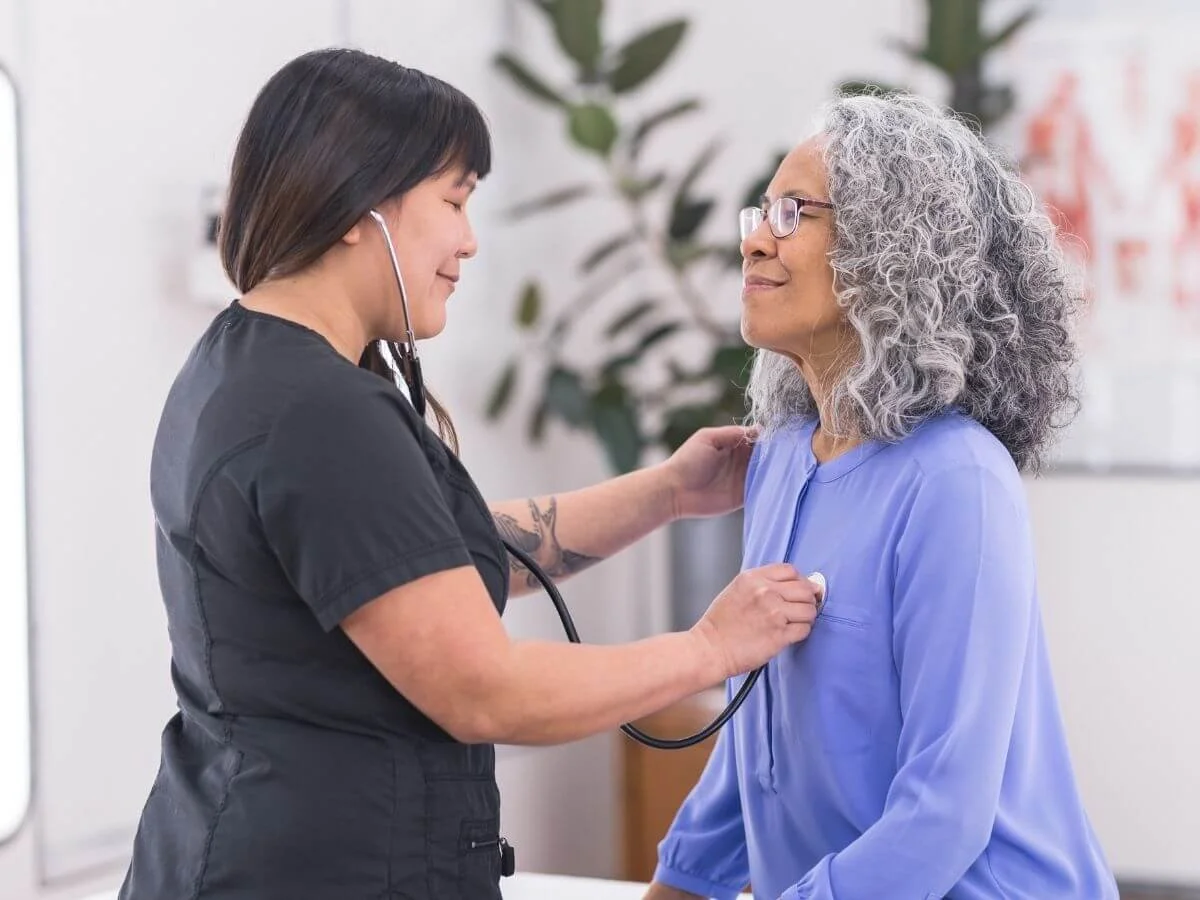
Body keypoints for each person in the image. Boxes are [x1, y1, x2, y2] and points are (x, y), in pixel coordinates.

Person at [117, 48, 824, 900]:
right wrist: (710, 648)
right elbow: (486, 690)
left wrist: (669, 492)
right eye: (454, 201)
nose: (469, 240)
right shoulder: (317, 412)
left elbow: (425, 561)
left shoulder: (244, 367)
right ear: (358, 203)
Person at [646, 94, 1119, 900]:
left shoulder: (956, 481)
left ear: (890, 249)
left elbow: (943, 816)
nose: (754, 240)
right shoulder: (780, 459)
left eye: (794, 213)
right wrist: (675, 886)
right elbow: (750, 751)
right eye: (760, 212)